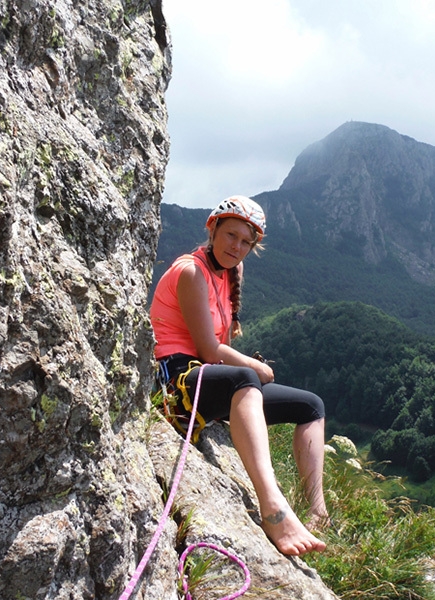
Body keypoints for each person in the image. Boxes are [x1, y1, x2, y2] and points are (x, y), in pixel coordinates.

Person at [149, 195, 329, 556]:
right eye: (231, 236)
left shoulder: (231, 273)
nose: (238, 247)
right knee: (246, 379)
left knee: (311, 405)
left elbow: (222, 345)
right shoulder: (191, 271)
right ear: (212, 229)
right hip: (178, 378)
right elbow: (208, 350)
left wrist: (245, 369)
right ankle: (273, 506)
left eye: (247, 242)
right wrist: (254, 366)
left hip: (213, 379)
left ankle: (317, 509)